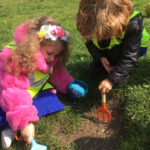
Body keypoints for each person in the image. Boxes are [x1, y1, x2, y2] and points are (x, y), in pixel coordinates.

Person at [0, 16, 87, 149]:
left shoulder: (51, 57)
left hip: (30, 94)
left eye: (56, 55)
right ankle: (11, 128)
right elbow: (13, 91)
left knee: (50, 100)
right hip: (7, 93)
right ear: (36, 44)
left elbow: (57, 73)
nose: (52, 58)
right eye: (50, 53)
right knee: (4, 110)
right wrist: (26, 122)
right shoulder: (14, 58)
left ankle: (16, 124)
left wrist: (69, 84)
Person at [76, 0, 149, 94]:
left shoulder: (133, 24)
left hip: (136, 48)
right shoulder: (90, 23)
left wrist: (111, 80)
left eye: (101, 36)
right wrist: (100, 57)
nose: (97, 37)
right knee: (93, 72)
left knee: (117, 67)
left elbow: (130, 57)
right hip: (112, 45)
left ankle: (120, 70)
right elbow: (91, 44)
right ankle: (111, 63)